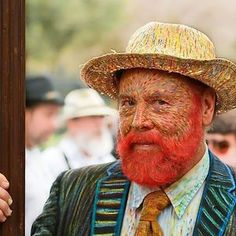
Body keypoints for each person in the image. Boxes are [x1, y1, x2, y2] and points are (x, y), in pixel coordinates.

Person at [31, 22, 236, 236]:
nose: (138, 121)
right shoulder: (73, 191)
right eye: (128, 103)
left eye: (160, 102)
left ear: (206, 107)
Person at [41, 88, 116, 181]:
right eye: (92, 116)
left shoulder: (107, 159)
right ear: (72, 123)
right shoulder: (52, 160)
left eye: (101, 116)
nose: (100, 123)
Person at [25, 75, 63, 236]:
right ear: (25, 113)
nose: (54, 124)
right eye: (48, 114)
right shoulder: (8, 160)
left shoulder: (38, 157)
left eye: (56, 115)